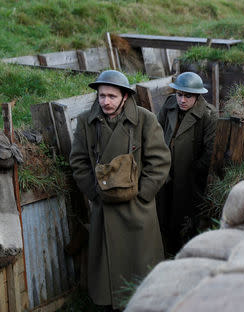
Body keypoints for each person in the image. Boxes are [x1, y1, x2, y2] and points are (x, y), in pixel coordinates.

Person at [69, 70, 171, 310]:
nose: (105, 101)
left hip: (138, 208)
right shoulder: (86, 122)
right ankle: (109, 302)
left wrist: (143, 195)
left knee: (141, 263)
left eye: (112, 96)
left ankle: (145, 303)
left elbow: (160, 161)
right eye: (102, 95)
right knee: (107, 268)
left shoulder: (145, 120)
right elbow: (79, 162)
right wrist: (95, 194)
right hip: (105, 209)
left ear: (125, 96)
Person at [156, 72, 217, 256]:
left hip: (189, 175)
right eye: (179, 94)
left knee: (186, 215)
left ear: (197, 95)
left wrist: (194, 171)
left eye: (187, 96)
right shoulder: (169, 106)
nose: (182, 100)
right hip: (166, 171)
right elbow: (157, 132)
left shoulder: (208, 115)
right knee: (162, 210)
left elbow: (210, 151)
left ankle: (185, 250)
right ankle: (164, 249)